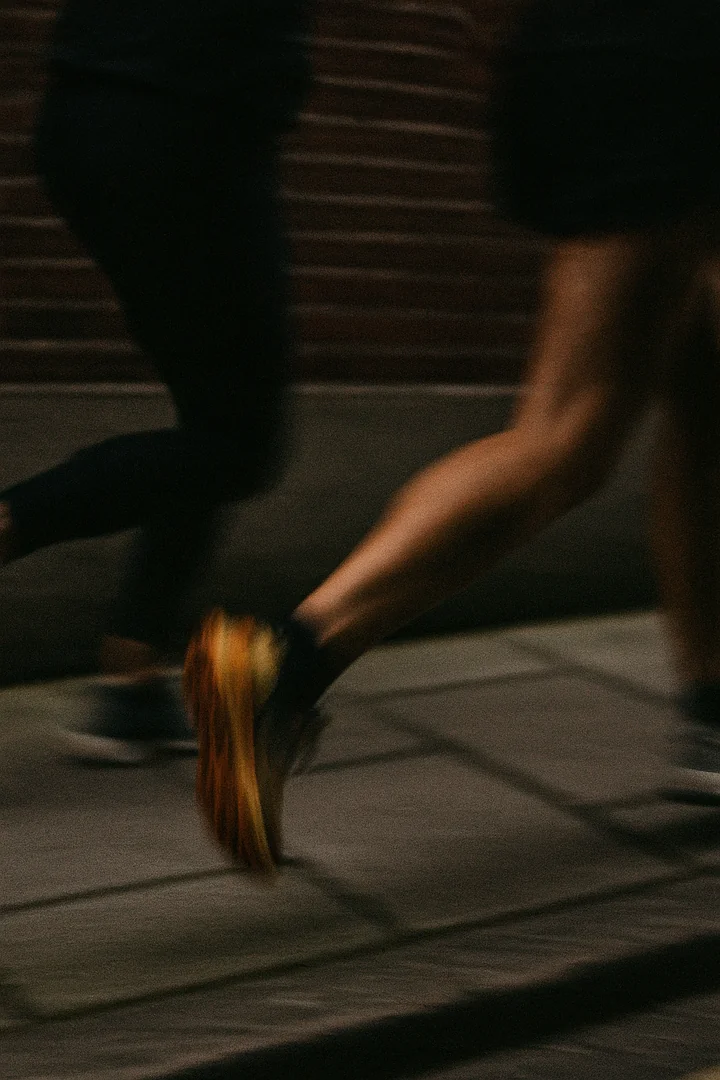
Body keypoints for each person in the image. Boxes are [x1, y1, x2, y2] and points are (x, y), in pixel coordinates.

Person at [183, 0, 720, 873]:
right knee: (567, 435)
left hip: (575, 57)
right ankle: (285, 659)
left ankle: (710, 707)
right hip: (676, 63)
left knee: (696, 397)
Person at [1, 0, 311, 763]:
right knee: (238, 443)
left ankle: (131, 685)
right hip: (186, 120)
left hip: (89, 113)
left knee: (209, 418)